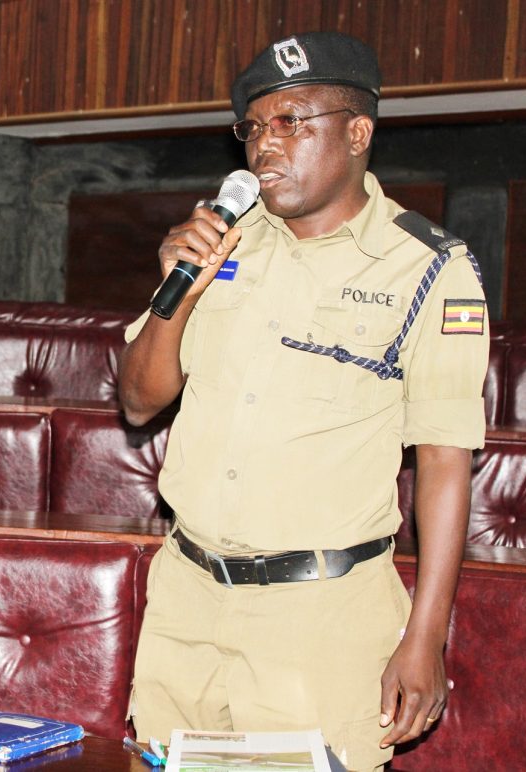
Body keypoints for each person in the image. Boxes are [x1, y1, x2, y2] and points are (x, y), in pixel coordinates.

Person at [121, 32, 489, 771]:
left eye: (292, 122)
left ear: (357, 134)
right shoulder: (222, 241)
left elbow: (445, 462)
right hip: (187, 601)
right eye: (254, 128)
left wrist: (426, 637)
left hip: (318, 618)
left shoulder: (428, 268)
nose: (265, 146)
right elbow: (137, 401)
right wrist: (178, 299)